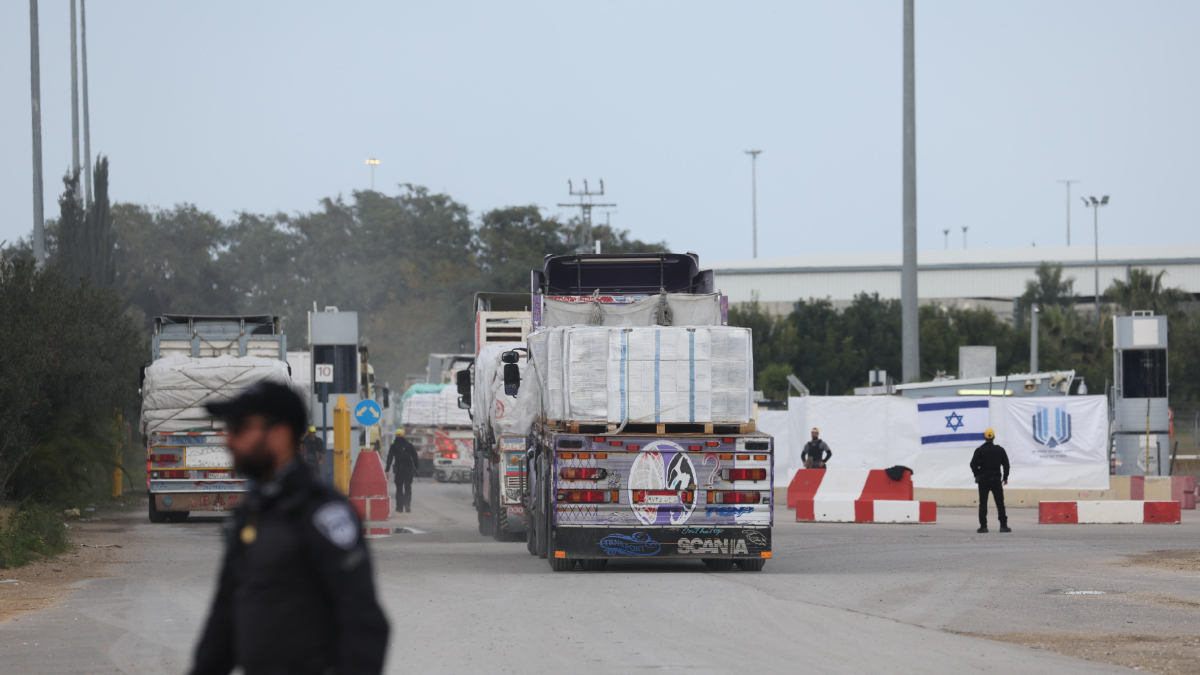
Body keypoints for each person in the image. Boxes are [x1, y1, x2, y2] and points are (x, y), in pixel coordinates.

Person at [190, 381, 389, 675]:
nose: (229, 440)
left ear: (280, 435)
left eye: (240, 428)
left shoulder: (322, 513)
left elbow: (364, 622)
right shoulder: (252, 511)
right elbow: (225, 618)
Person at [970, 428, 1011, 534]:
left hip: (983, 479)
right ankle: (1003, 526)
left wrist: (977, 474)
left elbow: (973, 464)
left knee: (983, 503)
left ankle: (983, 527)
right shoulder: (1000, 450)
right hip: (996, 479)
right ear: (993, 437)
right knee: (1000, 503)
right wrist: (1005, 477)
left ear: (985, 437)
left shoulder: (980, 450)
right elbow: (1006, 465)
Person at [385, 429, 419, 513]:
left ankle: (399, 507)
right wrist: (417, 467)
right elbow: (415, 456)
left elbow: (390, 458)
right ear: (404, 435)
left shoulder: (393, 446)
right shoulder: (409, 445)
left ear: (395, 436)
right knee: (408, 487)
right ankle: (407, 504)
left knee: (399, 488)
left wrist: (387, 470)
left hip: (398, 469)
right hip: (408, 469)